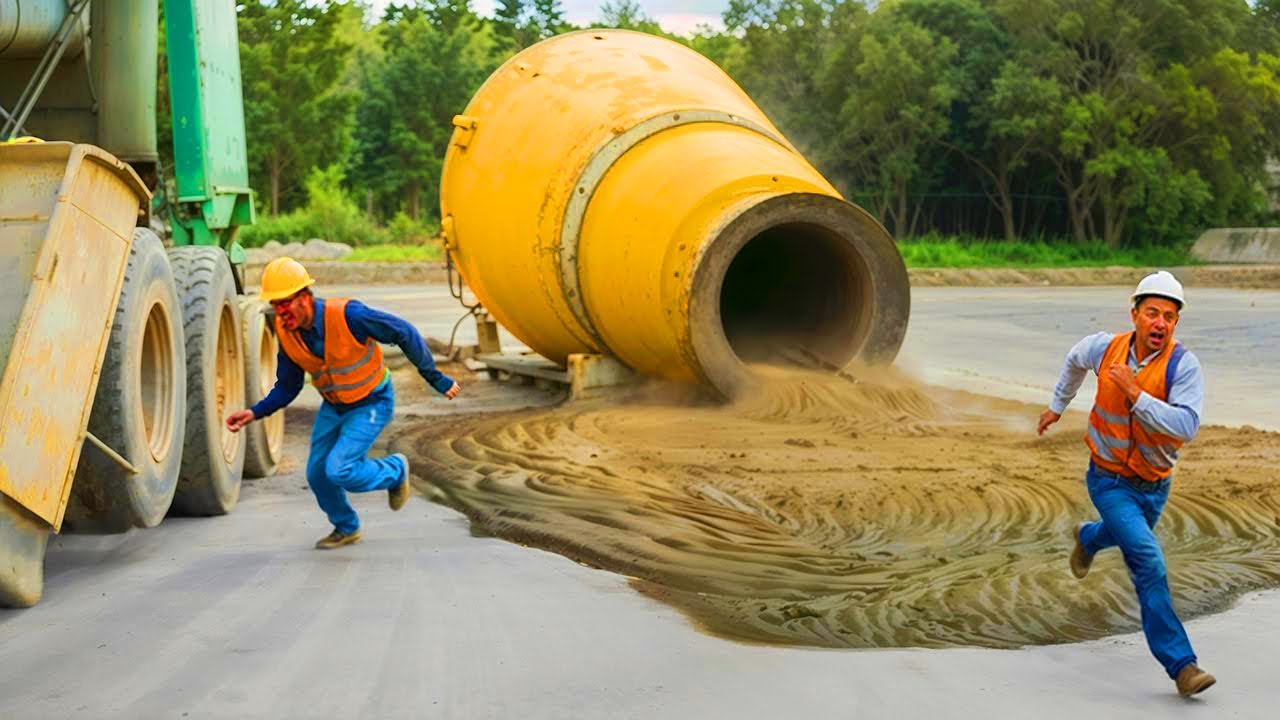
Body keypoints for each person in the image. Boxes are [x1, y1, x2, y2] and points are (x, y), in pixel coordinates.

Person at [1037, 270, 1214, 697]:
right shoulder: (1105, 347)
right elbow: (1075, 358)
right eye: (1152, 312)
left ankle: (1090, 537)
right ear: (1133, 314)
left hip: (1155, 484)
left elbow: (1186, 425)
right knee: (1148, 560)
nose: (1160, 323)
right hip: (1109, 480)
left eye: (1169, 317)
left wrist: (1135, 393)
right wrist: (1058, 406)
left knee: (1128, 537)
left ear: (1175, 324)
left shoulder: (1183, 365)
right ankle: (1182, 665)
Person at [226, 257, 460, 549]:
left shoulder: (349, 315)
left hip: (372, 402)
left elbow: (404, 332)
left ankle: (396, 471)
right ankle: (347, 527)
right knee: (316, 474)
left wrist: (436, 378)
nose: (281, 312)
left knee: (339, 469)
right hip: (335, 408)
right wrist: (253, 412)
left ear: (304, 297)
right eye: (276, 305)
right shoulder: (287, 334)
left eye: (285, 303)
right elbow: (288, 386)